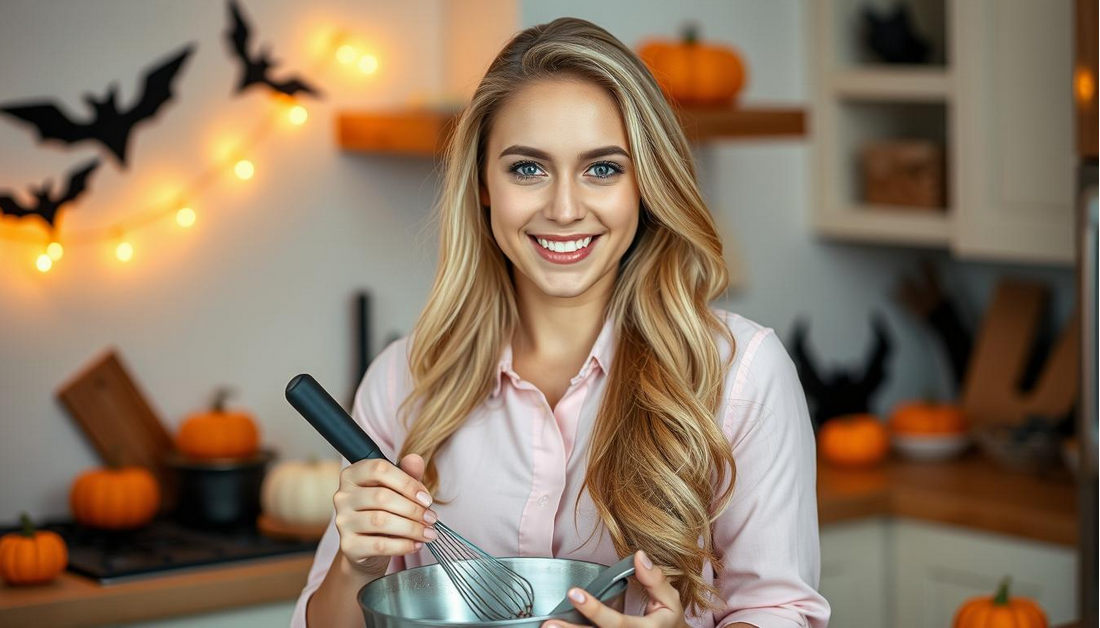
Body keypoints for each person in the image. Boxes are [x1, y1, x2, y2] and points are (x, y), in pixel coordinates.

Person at [291, 16, 830, 628]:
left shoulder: (742, 375)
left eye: (603, 168)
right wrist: (355, 569)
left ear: (644, 186)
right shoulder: (403, 381)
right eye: (527, 168)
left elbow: (780, 613)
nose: (565, 209)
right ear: (484, 184)